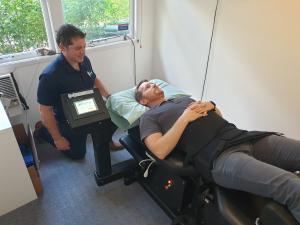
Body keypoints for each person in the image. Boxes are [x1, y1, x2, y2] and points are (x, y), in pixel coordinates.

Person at [135, 79, 300, 223]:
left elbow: (218, 117)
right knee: (293, 187)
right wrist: (184, 118)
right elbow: (159, 150)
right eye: (148, 86)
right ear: (143, 101)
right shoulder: (149, 118)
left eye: (154, 83)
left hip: (241, 137)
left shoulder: (183, 99)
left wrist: (212, 106)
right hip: (219, 156)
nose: (154, 85)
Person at [36, 24, 122, 160]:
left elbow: (94, 79)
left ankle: (107, 141)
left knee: (116, 113)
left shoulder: (84, 60)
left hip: (89, 105)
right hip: (68, 118)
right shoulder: (50, 75)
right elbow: (44, 110)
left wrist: (110, 97)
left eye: (84, 47)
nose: (83, 51)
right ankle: (44, 130)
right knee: (78, 154)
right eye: (77, 48)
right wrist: (57, 139)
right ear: (62, 47)